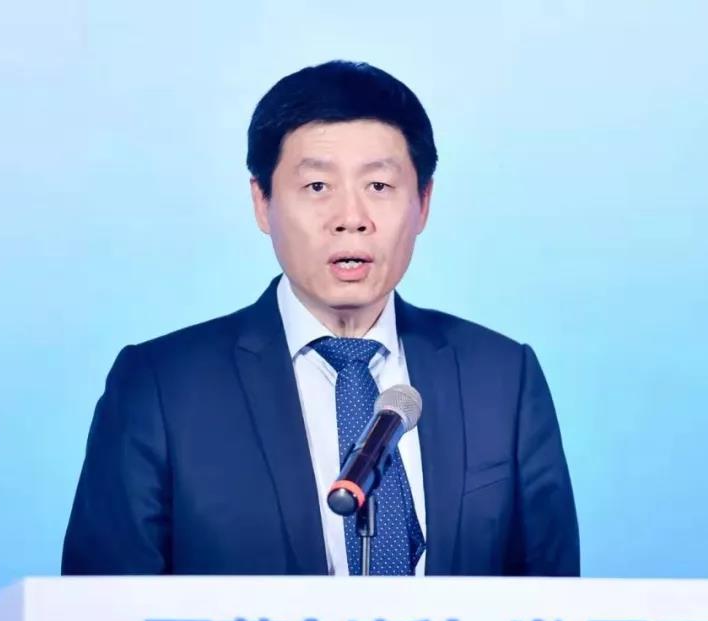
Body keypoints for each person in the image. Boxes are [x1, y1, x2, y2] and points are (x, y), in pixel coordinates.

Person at [62, 60, 579, 576]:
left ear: (423, 203)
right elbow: (97, 610)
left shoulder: (502, 378)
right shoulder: (162, 387)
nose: (351, 219)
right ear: (262, 203)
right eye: (316, 187)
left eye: (379, 186)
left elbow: (559, 608)